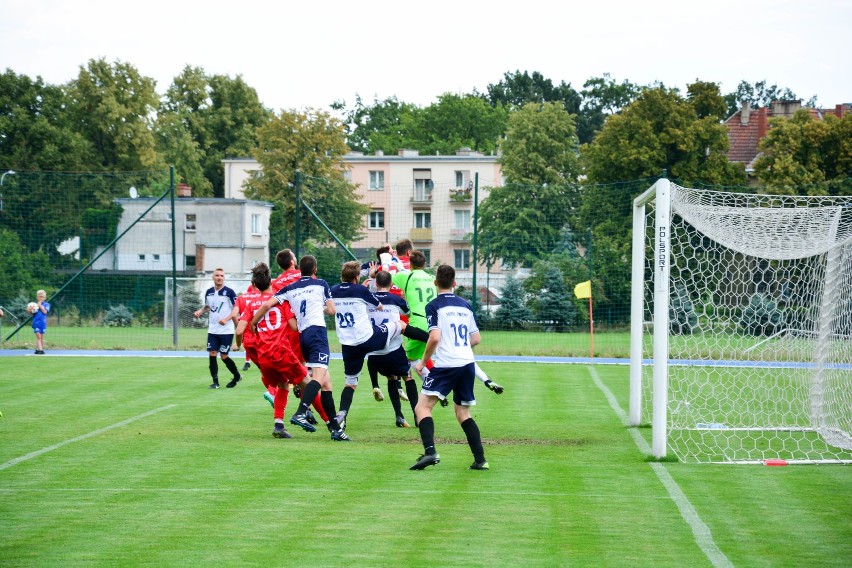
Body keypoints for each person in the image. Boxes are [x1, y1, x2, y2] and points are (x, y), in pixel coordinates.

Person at [251, 255, 349, 441]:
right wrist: (318, 307)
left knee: (326, 384)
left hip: (302, 338)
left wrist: (254, 322)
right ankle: (301, 412)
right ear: (315, 270)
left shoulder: (289, 288)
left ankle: (335, 429)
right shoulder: (321, 284)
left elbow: (265, 305)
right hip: (317, 334)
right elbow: (332, 310)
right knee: (316, 380)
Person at [410, 264, 489, 471]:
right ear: (454, 283)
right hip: (466, 363)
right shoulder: (465, 305)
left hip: (447, 364)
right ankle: (480, 460)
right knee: (463, 413)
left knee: (422, 407)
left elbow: (434, 337)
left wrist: (422, 361)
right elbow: (476, 338)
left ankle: (430, 452)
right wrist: (459, 347)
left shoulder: (433, 305)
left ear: (435, 283)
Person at [330, 261, 413, 431]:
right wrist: (372, 280)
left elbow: (329, 307)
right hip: (368, 339)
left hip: (347, 344)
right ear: (356, 276)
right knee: (398, 325)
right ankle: (431, 338)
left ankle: (342, 415)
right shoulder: (361, 290)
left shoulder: (333, 290)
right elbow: (379, 305)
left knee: (351, 383)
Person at [236, 263, 307, 439]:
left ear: (254, 283)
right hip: (279, 348)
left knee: (282, 382)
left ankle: (279, 422)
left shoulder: (249, 302)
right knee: (310, 381)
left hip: (258, 349)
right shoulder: (280, 299)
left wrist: (238, 344)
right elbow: (293, 326)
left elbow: (238, 329)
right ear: (271, 281)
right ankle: (325, 419)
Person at [367, 270, 421, 427]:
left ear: (376, 284)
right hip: (393, 348)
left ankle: (399, 416)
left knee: (391, 378)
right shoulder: (396, 299)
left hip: (375, 351)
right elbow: (409, 314)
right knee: (408, 377)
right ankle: (417, 416)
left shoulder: (369, 299)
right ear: (391, 284)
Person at [194, 268, 241, 389]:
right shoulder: (209, 292)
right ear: (213, 277)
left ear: (224, 277)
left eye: (221, 275)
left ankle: (236, 376)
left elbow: (236, 310)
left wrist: (226, 319)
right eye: (217, 275)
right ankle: (216, 382)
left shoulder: (229, 292)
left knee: (224, 356)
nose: (219, 277)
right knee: (212, 353)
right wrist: (200, 311)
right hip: (213, 330)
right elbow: (208, 306)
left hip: (226, 331)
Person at [32, 290, 50, 354]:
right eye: (40, 297)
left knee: (41, 337)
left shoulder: (47, 304)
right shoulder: (34, 305)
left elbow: (45, 312)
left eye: (42, 297)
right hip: (36, 323)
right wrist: (29, 310)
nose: (41, 298)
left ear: (45, 298)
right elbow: (32, 313)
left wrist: (40, 306)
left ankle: (39, 349)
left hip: (42, 323)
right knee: (38, 336)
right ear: (37, 297)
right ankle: (40, 350)